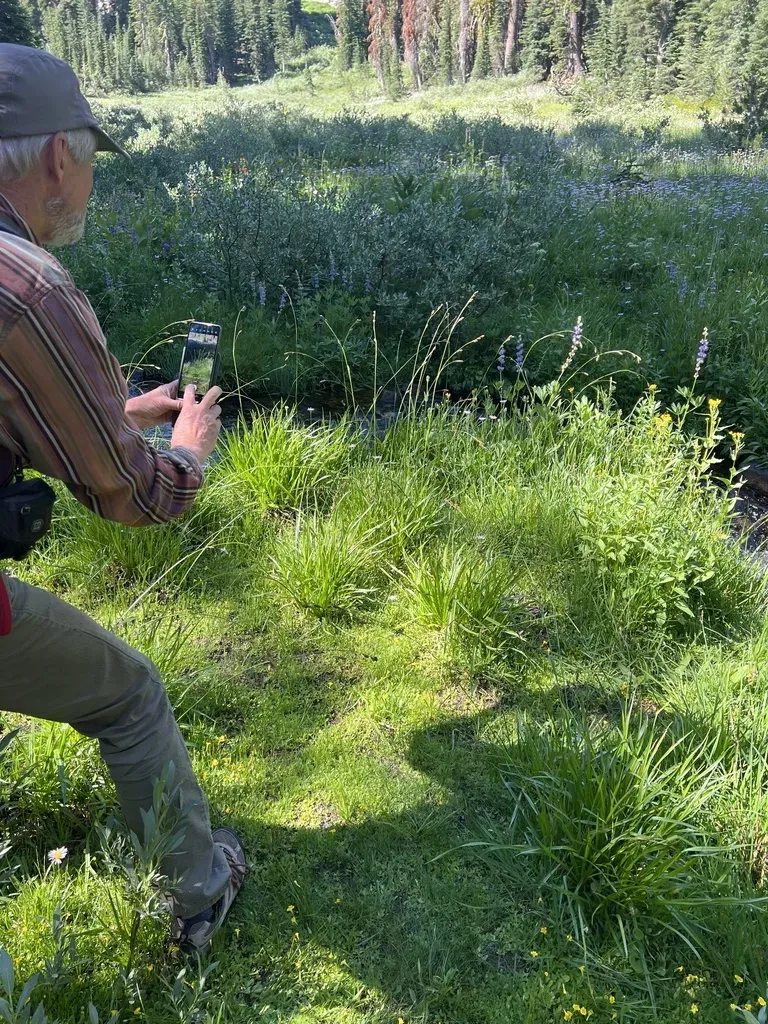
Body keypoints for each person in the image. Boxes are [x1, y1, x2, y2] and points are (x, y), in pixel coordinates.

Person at [0, 43, 245, 952]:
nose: (91, 179)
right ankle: (196, 899)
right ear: (54, 158)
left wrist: (113, 411)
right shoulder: (25, 287)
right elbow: (135, 496)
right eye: (89, 158)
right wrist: (183, 453)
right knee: (130, 696)